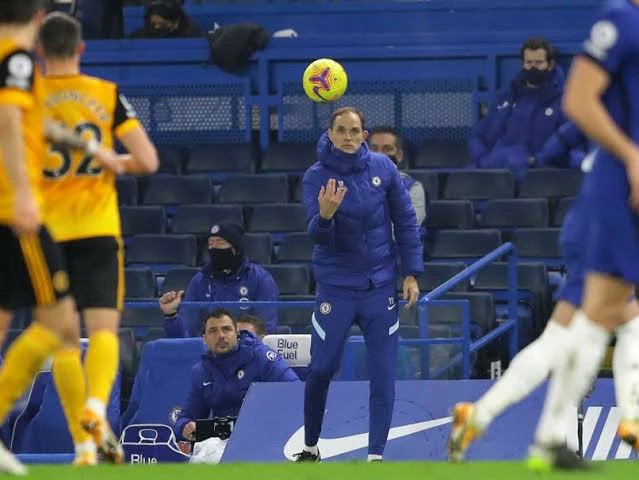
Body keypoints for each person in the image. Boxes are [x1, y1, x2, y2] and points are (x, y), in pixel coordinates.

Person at [447, 149, 639, 469]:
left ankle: (493, 420)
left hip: (595, 225)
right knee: (617, 322)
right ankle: (630, 418)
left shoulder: (619, 131)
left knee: (565, 337)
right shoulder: (624, 135)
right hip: (609, 229)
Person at [0, 1, 122, 474]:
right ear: (35, 19)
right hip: (18, 212)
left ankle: (86, 444)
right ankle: (87, 437)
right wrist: (25, 196)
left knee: (52, 327)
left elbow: (35, 124)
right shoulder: (17, 58)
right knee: (58, 326)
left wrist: (87, 146)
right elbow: (11, 124)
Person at [38, 11, 159, 465]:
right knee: (104, 330)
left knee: (63, 342)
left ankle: (84, 443)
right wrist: (115, 162)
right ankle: (96, 409)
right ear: (81, 49)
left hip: (47, 236)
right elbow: (147, 160)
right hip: (97, 229)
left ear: (38, 50)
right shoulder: (105, 95)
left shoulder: (25, 99)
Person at [524, 1, 639, 470]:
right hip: (610, 208)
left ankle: (547, 433)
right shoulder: (621, 20)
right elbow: (578, 100)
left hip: (609, 204)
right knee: (596, 321)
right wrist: (631, 157)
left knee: (585, 326)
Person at [294, 107, 422, 463]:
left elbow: (406, 221)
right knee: (320, 369)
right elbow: (316, 237)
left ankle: (375, 456)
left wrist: (411, 272)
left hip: (379, 287)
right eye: (341, 130)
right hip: (335, 287)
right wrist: (325, 216)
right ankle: (310, 447)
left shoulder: (384, 168)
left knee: (382, 374)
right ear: (330, 134)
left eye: (354, 130)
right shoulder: (315, 177)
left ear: (364, 135)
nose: (348, 137)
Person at [175, 308, 298, 444]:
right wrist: (185, 427)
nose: (221, 335)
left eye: (226, 329)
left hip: (267, 435)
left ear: (236, 333)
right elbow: (187, 416)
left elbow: (293, 393)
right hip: (222, 443)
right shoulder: (201, 371)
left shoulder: (261, 357)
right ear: (204, 339)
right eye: (213, 331)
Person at [469, 37, 576, 179]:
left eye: (538, 63)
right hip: (498, 170)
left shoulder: (564, 100)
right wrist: (484, 160)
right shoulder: (507, 96)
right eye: (529, 62)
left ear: (550, 64)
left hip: (541, 176)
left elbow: (572, 146)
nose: (533, 67)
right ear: (522, 64)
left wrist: (536, 160)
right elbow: (480, 135)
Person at [160, 222, 280, 337]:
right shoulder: (200, 280)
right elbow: (186, 334)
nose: (214, 247)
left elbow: (265, 329)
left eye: (220, 242)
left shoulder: (260, 279)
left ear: (235, 249)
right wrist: (171, 316)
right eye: (211, 243)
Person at [368, 127, 427, 227]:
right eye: (374, 149)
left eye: (387, 149)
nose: (379, 155)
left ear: (399, 155)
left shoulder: (413, 188)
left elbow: (406, 226)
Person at [129, 0, 201, 39]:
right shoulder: (137, 37)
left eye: (162, 24)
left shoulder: (192, 35)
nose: (156, 27)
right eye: (153, 24)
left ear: (175, 23)